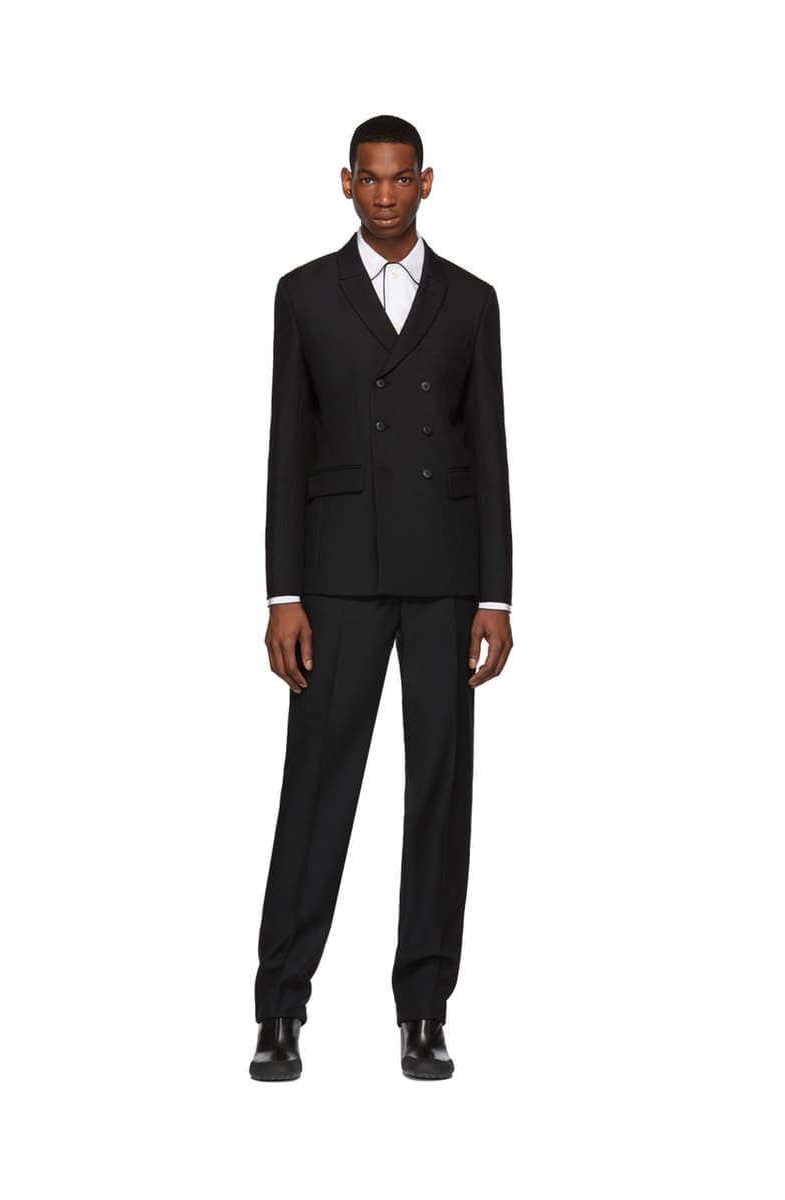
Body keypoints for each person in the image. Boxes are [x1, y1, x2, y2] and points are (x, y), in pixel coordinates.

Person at [249, 114, 513, 1081]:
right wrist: (283, 592)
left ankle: (424, 1011)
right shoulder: (305, 293)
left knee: (440, 789)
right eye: (372, 178)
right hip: (338, 577)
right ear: (347, 183)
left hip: (445, 576)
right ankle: (281, 1007)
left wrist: (497, 596)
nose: (388, 194)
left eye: (403, 178)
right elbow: (286, 446)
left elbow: (490, 450)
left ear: (426, 183)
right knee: (317, 787)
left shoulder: (471, 300)